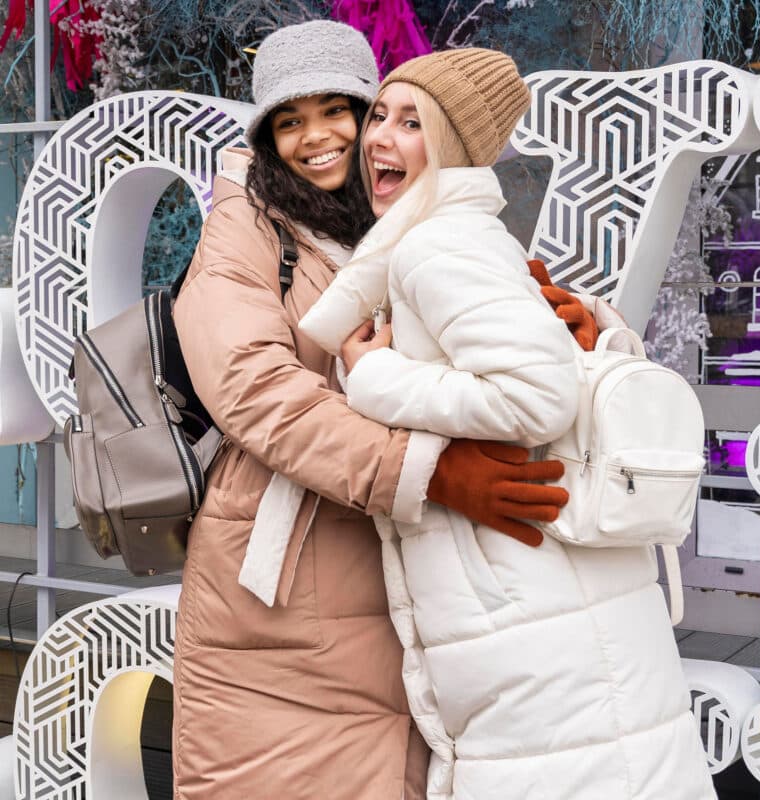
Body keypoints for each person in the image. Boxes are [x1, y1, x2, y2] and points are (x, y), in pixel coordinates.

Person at [171, 22, 591, 800]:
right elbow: (252, 388)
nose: (318, 138)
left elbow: (511, 352)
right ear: (265, 137)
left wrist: (576, 322)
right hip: (285, 598)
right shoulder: (246, 226)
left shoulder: (407, 222)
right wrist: (421, 471)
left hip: (408, 579)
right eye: (289, 121)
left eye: (340, 110)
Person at [300, 49, 718, 800]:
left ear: (454, 145)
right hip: (538, 598)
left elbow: (536, 398)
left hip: (528, 599)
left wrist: (374, 376)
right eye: (380, 117)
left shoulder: (436, 244)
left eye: (411, 121)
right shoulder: (452, 237)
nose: (376, 139)